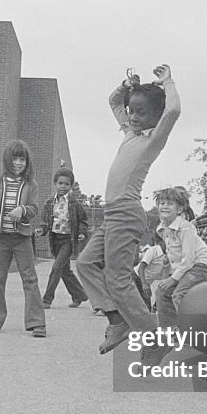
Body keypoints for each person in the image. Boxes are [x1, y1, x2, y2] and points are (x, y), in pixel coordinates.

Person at [76, 64, 181, 359]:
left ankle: (154, 339)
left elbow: (173, 111)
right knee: (84, 263)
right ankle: (118, 321)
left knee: (118, 279)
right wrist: (127, 85)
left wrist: (168, 82)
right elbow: (113, 101)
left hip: (126, 214)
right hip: (112, 214)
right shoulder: (129, 132)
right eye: (131, 111)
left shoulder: (152, 139)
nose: (133, 117)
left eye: (141, 113)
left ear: (154, 118)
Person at [0, 139, 46, 337]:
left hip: (21, 238)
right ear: (7, 160)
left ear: (27, 162)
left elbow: (34, 208)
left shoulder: (30, 184)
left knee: (30, 279)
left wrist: (22, 209)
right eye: (15, 159)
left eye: (22, 160)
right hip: (1, 238)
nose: (18, 163)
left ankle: (37, 323)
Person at [150, 186, 207, 330]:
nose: (164, 206)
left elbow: (189, 259)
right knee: (161, 292)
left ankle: (192, 331)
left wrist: (173, 279)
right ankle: (170, 330)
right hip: (185, 267)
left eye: (170, 203)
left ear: (179, 209)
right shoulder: (162, 229)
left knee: (179, 294)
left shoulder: (185, 228)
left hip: (200, 265)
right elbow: (174, 253)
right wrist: (168, 266)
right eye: (162, 203)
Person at [36, 167, 89, 309]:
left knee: (56, 267)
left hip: (68, 240)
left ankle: (47, 299)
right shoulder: (49, 203)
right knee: (64, 270)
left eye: (66, 184)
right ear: (55, 184)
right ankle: (80, 295)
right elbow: (46, 222)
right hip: (55, 240)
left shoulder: (74, 204)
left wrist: (82, 232)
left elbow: (83, 220)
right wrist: (41, 230)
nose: (63, 186)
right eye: (60, 183)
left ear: (71, 186)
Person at [134, 239, 170, 312]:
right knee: (144, 308)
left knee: (146, 307)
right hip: (136, 278)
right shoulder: (153, 251)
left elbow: (166, 275)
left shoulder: (167, 256)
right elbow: (141, 268)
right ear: (162, 242)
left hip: (146, 281)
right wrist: (144, 285)